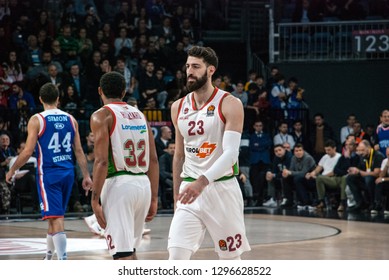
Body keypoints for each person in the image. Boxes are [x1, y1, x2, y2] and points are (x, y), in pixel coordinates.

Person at [168, 46, 251, 260]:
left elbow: (231, 154)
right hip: (189, 189)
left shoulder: (230, 103)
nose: (189, 72)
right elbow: (179, 155)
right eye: (187, 66)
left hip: (221, 188)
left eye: (196, 66)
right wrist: (177, 195)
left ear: (210, 70)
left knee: (230, 262)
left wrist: (202, 182)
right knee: (175, 258)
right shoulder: (178, 106)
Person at [5, 83, 93, 260]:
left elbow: (28, 151)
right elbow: (79, 151)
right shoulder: (71, 119)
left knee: (57, 217)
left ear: (40, 99)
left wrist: (12, 169)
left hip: (49, 174)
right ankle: (48, 256)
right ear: (58, 99)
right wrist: (86, 175)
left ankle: (63, 260)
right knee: (54, 216)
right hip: (68, 172)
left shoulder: (37, 119)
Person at [89, 71, 159, 260]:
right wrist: (154, 197)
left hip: (119, 186)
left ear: (100, 91)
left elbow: (102, 161)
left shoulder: (101, 115)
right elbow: (153, 160)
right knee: (130, 252)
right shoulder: (139, 115)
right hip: (143, 184)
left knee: (122, 255)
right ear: (123, 91)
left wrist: (94, 200)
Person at [347, 140, 384, 212]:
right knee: (350, 178)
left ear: (369, 148)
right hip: (365, 179)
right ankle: (360, 203)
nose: (360, 152)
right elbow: (360, 170)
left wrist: (359, 172)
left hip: (375, 180)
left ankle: (373, 203)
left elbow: (377, 173)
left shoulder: (377, 156)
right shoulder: (362, 157)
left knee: (368, 179)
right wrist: (354, 171)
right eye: (359, 150)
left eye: (363, 150)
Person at [305, 139, 341, 210]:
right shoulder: (325, 157)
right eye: (326, 150)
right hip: (322, 177)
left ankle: (321, 202)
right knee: (308, 179)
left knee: (319, 179)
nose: (327, 152)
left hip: (333, 178)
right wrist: (311, 174)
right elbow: (318, 169)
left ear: (334, 148)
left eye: (329, 150)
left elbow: (335, 172)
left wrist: (322, 177)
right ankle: (309, 202)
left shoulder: (339, 157)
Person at [282, 143, 317, 209]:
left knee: (297, 179)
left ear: (303, 151)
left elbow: (304, 173)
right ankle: (289, 201)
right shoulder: (293, 158)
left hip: (311, 179)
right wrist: (286, 173)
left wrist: (290, 172)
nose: (298, 152)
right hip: (300, 178)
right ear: (294, 152)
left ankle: (305, 202)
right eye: (296, 151)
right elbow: (291, 170)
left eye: (300, 150)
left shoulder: (308, 158)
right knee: (286, 178)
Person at [372, 147, 389, 214]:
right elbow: (381, 175)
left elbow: (382, 178)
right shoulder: (385, 161)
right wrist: (387, 165)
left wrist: (383, 179)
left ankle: (387, 207)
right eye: (387, 154)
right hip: (387, 181)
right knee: (378, 182)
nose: (388, 156)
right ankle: (377, 204)